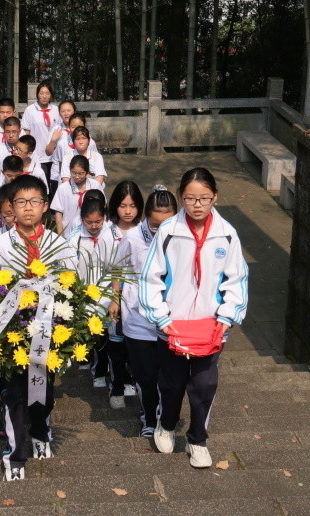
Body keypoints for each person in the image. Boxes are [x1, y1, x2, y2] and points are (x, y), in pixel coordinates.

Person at [140, 168, 249, 469]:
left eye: (204, 198)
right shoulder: (168, 231)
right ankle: (167, 424)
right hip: (172, 326)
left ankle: (198, 439)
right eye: (190, 198)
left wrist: (226, 318)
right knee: (172, 383)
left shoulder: (226, 234)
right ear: (181, 198)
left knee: (203, 385)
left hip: (210, 327)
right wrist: (161, 318)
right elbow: (150, 277)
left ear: (215, 197)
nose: (197, 205)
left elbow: (236, 278)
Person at [0, 175, 76, 479]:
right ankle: (15, 456)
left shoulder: (57, 245)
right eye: (21, 202)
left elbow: (71, 283)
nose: (27, 208)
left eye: (34, 201)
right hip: (12, 334)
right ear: (10, 206)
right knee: (15, 394)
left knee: (45, 392)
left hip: (49, 333)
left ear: (45, 206)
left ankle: (40, 429)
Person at [114, 186, 178, 437]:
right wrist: (115, 300)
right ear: (146, 216)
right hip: (138, 319)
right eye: (155, 224)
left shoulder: (181, 237)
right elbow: (118, 268)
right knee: (146, 375)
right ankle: (149, 417)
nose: (161, 230)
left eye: (167, 223)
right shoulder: (132, 238)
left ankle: (166, 415)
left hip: (171, 320)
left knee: (170, 377)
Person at [65, 191, 123, 394]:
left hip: (109, 292)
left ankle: (111, 372)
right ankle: (97, 370)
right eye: (89, 222)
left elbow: (116, 266)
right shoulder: (74, 239)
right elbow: (69, 269)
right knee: (96, 336)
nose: (94, 226)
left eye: (98, 221)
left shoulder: (112, 234)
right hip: (86, 294)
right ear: (82, 220)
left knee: (111, 336)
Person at [101, 181, 145, 408]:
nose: (128, 211)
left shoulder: (145, 231)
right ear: (114, 206)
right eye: (123, 205)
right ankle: (116, 385)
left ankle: (133, 381)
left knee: (136, 347)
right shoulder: (107, 233)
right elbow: (104, 267)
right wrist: (113, 297)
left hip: (139, 298)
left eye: (133, 205)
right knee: (116, 345)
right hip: (114, 296)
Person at [46, 111, 98, 198]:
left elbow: (94, 161)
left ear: (85, 126)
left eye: (80, 126)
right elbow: (59, 163)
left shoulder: (91, 143)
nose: (76, 129)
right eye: (73, 127)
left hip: (87, 180)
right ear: (69, 127)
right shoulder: (62, 144)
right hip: (67, 180)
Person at [50, 155, 105, 236]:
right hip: (69, 233)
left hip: (93, 232)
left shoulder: (95, 186)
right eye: (73, 173)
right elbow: (58, 213)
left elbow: (103, 208)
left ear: (87, 172)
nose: (77, 176)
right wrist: (60, 235)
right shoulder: (63, 188)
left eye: (81, 173)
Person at [20, 82, 60, 180]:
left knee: (54, 184)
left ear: (51, 95)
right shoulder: (30, 110)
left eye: (47, 93)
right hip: (37, 155)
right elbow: (26, 133)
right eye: (41, 93)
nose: (44, 96)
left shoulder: (56, 110)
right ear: (37, 94)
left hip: (54, 154)